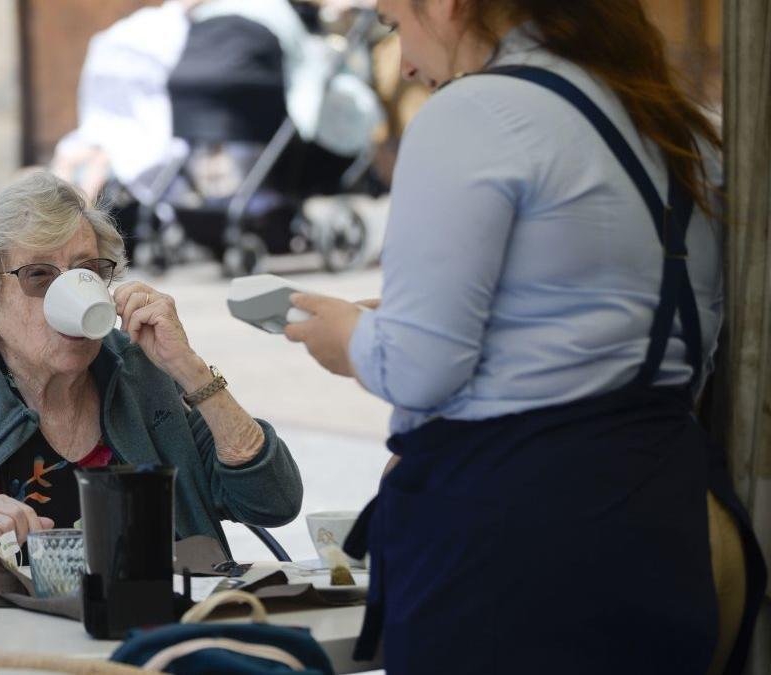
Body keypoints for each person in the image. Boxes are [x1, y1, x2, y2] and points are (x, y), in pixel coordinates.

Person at [284, 1, 765, 674]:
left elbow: (420, 368)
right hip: (679, 523)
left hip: (524, 544)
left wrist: (351, 336)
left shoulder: (473, 114)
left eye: (397, 27)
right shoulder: (673, 122)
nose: (408, 64)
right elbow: (651, 333)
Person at [0, 172, 302, 585]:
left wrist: (190, 368)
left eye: (86, 271)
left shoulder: (143, 374)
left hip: (158, 642)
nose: (70, 293)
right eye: (39, 276)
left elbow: (275, 501)